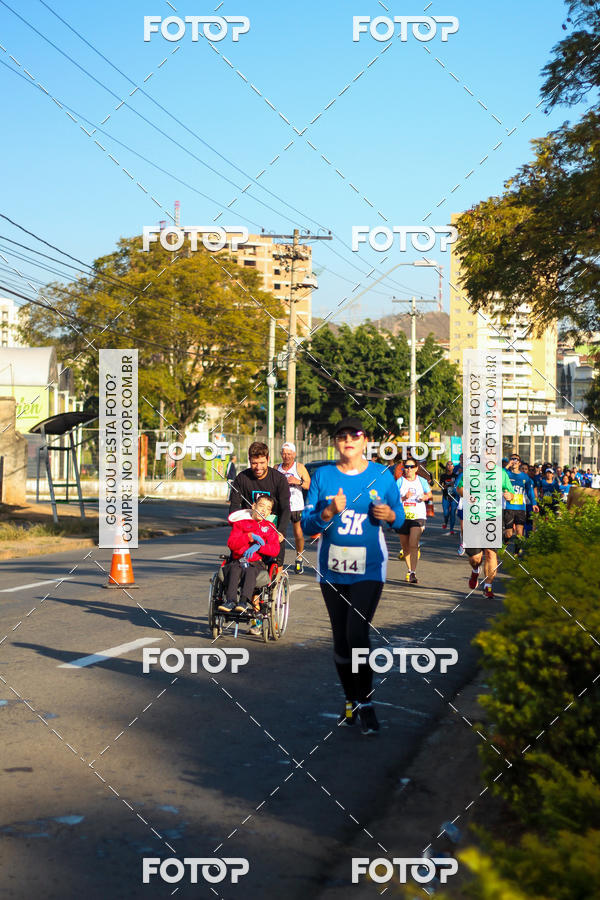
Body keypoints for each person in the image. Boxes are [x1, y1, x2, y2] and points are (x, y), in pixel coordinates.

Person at [301, 416, 404, 735]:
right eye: (342, 435)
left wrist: (390, 515)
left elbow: (400, 517)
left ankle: (367, 702)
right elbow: (306, 525)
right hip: (332, 568)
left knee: (357, 633)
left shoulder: (381, 475)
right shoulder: (323, 476)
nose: (348, 440)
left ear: (365, 441)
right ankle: (351, 699)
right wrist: (328, 512)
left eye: (354, 435)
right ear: (336, 442)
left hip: (369, 567)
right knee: (341, 640)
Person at [229, 441, 291, 567]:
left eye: (262, 463)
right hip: (248, 530)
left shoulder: (279, 479)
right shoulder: (241, 478)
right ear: (249, 460)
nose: (258, 467)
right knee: (234, 565)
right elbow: (234, 506)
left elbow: (285, 508)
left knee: (274, 569)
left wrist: (281, 531)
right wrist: (238, 528)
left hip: (272, 531)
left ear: (268, 459)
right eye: (254, 463)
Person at [456, 465, 514, 599]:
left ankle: (488, 586)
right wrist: (467, 494)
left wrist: (508, 495)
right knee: (475, 559)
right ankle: (475, 570)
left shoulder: (501, 473)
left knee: (490, 553)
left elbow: (510, 493)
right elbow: (459, 488)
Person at [218, 497, 281, 614]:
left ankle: (243, 602)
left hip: (256, 563)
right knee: (235, 568)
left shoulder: (270, 528)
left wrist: (260, 547)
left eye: (268, 508)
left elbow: (275, 550)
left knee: (250, 570)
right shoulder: (240, 524)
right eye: (261, 506)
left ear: (270, 513)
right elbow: (232, 543)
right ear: (253, 506)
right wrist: (248, 537)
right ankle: (230, 601)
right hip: (238, 560)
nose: (264, 510)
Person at [395, 460, 432, 584]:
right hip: (403, 517)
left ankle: (413, 573)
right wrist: (404, 497)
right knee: (405, 547)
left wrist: (424, 497)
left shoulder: (421, 481)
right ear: (404, 468)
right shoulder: (400, 481)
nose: (409, 469)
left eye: (411, 467)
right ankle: (409, 569)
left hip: (418, 516)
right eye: (406, 467)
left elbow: (429, 494)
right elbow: (393, 499)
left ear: (416, 468)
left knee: (413, 544)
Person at [277, 441, 311, 575]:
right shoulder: (276, 467)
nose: (286, 456)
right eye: (284, 454)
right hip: (281, 505)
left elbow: (309, 485)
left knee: (298, 533)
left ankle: (299, 558)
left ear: (294, 454)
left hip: (296, 505)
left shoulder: (299, 467)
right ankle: (277, 560)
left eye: (289, 454)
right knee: (279, 534)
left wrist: (297, 481)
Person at [504, 454, 538, 547]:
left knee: (520, 534)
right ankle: (504, 544)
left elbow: (530, 491)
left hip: (520, 508)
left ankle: (516, 555)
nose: (514, 461)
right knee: (509, 534)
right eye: (512, 459)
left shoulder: (525, 477)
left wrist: (534, 503)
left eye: (516, 459)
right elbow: (499, 475)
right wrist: (507, 465)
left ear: (519, 463)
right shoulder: (506, 474)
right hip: (509, 507)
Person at [439, 461, 458, 534]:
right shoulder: (443, 476)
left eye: (451, 465)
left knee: (452, 513)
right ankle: (445, 522)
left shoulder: (456, 476)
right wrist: (444, 486)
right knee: (446, 513)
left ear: (453, 467)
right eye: (448, 464)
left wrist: (454, 485)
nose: (449, 466)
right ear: (446, 466)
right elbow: (440, 485)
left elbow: (459, 486)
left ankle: (451, 529)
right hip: (445, 496)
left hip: (454, 497)